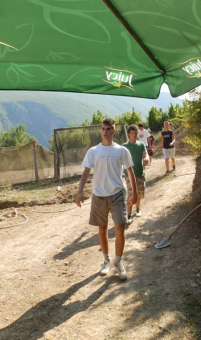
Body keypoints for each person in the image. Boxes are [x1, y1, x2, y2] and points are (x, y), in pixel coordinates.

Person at [75, 118, 137, 280]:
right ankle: (106, 260)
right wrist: (80, 192)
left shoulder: (122, 151)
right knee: (102, 229)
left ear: (113, 131)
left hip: (117, 194)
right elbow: (86, 172)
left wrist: (134, 194)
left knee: (119, 229)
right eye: (103, 128)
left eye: (108, 129)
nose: (105, 131)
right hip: (99, 195)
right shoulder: (93, 151)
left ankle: (118, 262)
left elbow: (131, 173)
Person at [122, 124, 149, 222]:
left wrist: (146, 159)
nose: (134, 135)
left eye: (135, 133)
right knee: (130, 194)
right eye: (132, 133)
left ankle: (137, 209)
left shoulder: (141, 145)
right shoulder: (124, 146)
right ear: (128, 134)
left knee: (139, 193)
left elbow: (145, 156)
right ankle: (128, 215)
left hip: (140, 173)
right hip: (129, 175)